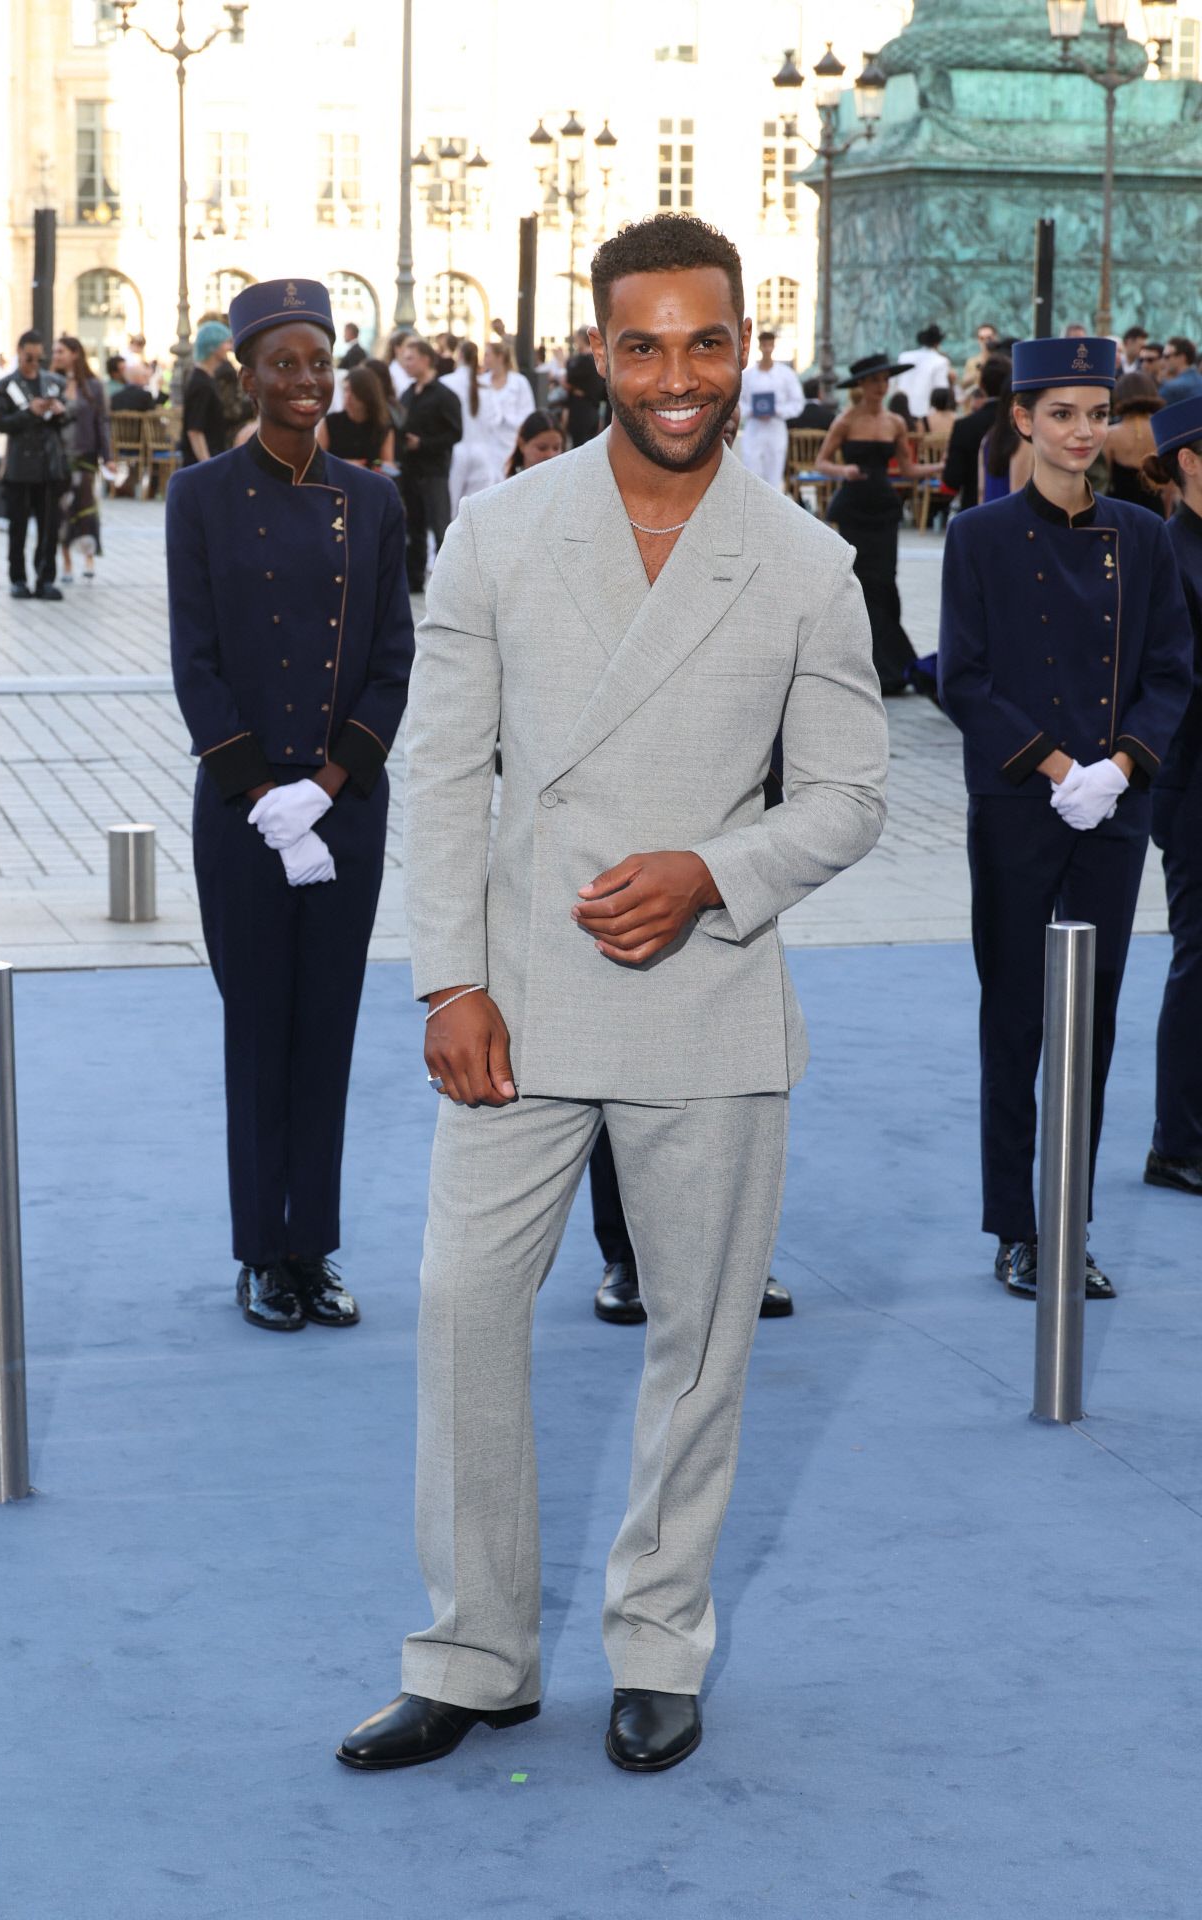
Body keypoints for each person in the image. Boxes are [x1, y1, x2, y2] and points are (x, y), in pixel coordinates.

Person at [338, 211, 886, 1778]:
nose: (675, 375)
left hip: (705, 997)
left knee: (697, 1345)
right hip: (513, 998)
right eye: (641, 344)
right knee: (460, 1318)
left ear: (742, 350)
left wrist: (712, 873)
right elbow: (441, 770)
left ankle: (659, 1641)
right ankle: (475, 1654)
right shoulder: (504, 534)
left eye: (705, 342)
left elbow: (849, 798)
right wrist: (450, 977)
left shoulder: (803, 563)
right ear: (596, 351)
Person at [166, 278, 414, 1335]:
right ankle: (261, 1253)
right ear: (245, 372)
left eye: (319, 360)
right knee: (258, 1029)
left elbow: (392, 660)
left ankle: (314, 1247)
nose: (306, 380)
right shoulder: (201, 496)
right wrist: (259, 792)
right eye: (284, 363)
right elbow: (197, 660)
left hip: (343, 809)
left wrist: (330, 782)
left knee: (328, 1032)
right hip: (243, 813)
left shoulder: (377, 496)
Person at [937, 336, 1192, 1300]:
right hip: (1018, 803)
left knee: (1092, 1026)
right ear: (1025, 420)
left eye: (1096, 414)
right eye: (1062, 414)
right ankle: (1014, 1225)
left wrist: (1120, 767)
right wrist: (1056, 767)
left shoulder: (1145, 535)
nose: (1082, 432)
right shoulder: (980, 537)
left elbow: (1172, 668)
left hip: (1114, 812)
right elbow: (962, 674)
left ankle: (1067, 1227)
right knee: (1014, 1017)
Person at [1141, 397, 1202, 1197]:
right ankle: (1176, 1141)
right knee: (1200, 958)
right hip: (1191, 787)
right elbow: (1169, 678)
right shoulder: (1167, 552)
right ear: (1189, 459)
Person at [816, 353, 943, 695]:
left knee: (886, 581)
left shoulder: (895, 423)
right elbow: (822, 461)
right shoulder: (845, 420)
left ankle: (893, 665)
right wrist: (845, 471)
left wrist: (939, 468)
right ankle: (865, 663)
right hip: (855, 506)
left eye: (885, 380)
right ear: (862, 385)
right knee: (860, 582)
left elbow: (907, 469)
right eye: (875, 380)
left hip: (884, 508)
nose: (881, 386)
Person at [0, 329, 70, 602]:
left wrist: (59, 411)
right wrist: (28, 412)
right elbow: (0, 422)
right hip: (19, 467)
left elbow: (69, 417)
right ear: (20, 353)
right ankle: (18, 579)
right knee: (18, 528)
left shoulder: (53, 383)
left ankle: (45, 578)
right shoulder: (5, 386)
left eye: (39, 358)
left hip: (49, 466)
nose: (34, 363)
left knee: (49, 528)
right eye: (29, 357)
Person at [397, 336, 462, 591]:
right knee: (414, 527)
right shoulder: (408, 393)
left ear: (425, 359)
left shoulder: (444, 395)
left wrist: (423, 443)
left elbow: (455, 433)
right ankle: (414, 581)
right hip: (410, 471)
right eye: (404, 359)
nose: (406, 364)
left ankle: (449, 584)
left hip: (434, 471)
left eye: (410, 358)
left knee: (440, 526)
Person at [52, 334, 110, 582]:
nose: (56, 356)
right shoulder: (52, 384)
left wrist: (107, 456)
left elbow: (102, 423)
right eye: (55, 352)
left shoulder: (93, 386)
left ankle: (88, 558)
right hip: (59, 456)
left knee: (86, 508)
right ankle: (65, 561)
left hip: (85, 455)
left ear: (75, 353)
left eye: (60, 351)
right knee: (61, 509)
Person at [737, 328, 804, 494]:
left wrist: (777, 410)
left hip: (776, 428)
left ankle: (772, 513)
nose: (767, 348)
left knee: (774, 472)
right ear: (759, 346)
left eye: (770, 344)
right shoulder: (748, 375)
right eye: (764, 344)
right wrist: (752, 411)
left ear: (774, 346)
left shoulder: (786, 374)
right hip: (754, 428)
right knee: (751, 469)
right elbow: (738, 401)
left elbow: (797, 402)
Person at [942, 354, 1008, 514]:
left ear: (981, 384)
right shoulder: (1022, 424)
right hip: (1014, 512)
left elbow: (952, 479)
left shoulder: (964, 426)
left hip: (973, 510)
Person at [440, 341, 500, 505]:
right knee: (477, 509)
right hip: (483, 453)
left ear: (459, 355)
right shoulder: (486, 386)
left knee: (453, 512)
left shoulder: (445, 382)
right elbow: (494, 420)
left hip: (456, 453)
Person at [1104, 371, 1165, 517]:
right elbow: (1169, 487)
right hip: (1155, 510)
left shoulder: (1110, 435)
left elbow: (1104, 480)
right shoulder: (1163, 432)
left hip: (1120, 510)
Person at [476, 341, 536, 475]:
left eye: (487, 355)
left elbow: (528, 414)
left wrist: (507, 420)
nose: (484, 359)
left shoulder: (519, 382)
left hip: (511, 443)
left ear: (500, 357)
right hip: (486, 445)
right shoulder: (480, 382)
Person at [320, 365, 395, 467]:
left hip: (368, 479)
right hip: (334, 479)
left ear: (366, 394)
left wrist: (373, 465)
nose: (348, 396)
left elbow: (387, 464)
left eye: (353, 391)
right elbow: (318, 459)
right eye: (346, 390)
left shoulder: (382, 427)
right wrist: (345, 464)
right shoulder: (330, 422)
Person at [180, 322, 231, 466]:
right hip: (201, 462)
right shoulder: (201, 383)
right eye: (226, 343)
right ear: (213, 346)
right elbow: (195, 430)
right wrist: (208, 465)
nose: (229, 347)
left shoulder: (205, 379)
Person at [979, 380, 1033, 503]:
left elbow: (981, 490)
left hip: (988, 515)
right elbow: (1019, 496)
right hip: (1010, 518)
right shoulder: (1023, 441)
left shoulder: (988, 438)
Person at [893, 324, 953, 424]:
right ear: (938, 343)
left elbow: (894, 385)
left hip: (902, 414)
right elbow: (940, 393)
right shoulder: (941, 361)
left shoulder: (904, 356)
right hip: (925, 417)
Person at [565, 326, 606, 445]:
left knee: (579, 445)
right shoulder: (598, 360)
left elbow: (568, 380)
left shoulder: (581, 361)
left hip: (580, 410)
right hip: (594, 410)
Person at [505, 408, 564, 475]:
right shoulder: (509, 483)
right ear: (522, 445)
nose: (550, 455)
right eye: (542, 448)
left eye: (556, 448)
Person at [1158, 336, 1202, 405]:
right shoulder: (1199, 381)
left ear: (1182, 357)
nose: (1162, 360)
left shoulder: (1171, 388)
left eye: (1167, 356)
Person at [960, 323, 1000, 395]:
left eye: (989, 338)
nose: (985, 341)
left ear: (995, 338)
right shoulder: (972, 362)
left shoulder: (1002, 360)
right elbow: (963, 385)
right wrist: (977, 373)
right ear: (978, 340)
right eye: (981, 338)